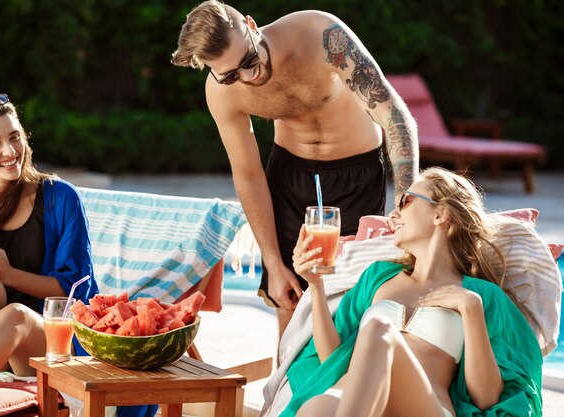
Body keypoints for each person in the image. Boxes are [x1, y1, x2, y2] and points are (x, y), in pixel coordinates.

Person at [171, 1, 419, 336]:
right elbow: (247, 173)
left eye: (248, 60)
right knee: (290, 302)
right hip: (290, 176)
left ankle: (349, 386)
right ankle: (290, 389)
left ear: (251, 24)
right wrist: (272, 262)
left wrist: (407, 207)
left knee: (353, 298)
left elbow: (395, 119)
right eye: (231, 75)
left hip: (357, 173)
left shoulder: (320, 35)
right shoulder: (221, 94)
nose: (249, 75)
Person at [282, 167, 542, 417]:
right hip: (347, 395)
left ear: (440, 214)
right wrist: (315, 285)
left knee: (379, 329)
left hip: (422, 407)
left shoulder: (480, 295)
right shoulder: (376, 276)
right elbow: (332, 360)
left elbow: (486, 397)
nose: (393, 215)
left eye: (405, 202)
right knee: (315, 408)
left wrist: (471, 309)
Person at [0, 94, 99, 394]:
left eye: (14, 137)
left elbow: (73, 291)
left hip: (54, 347)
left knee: (16, 315)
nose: (10, 151)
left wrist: (10, 275)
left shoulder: (60, 198)